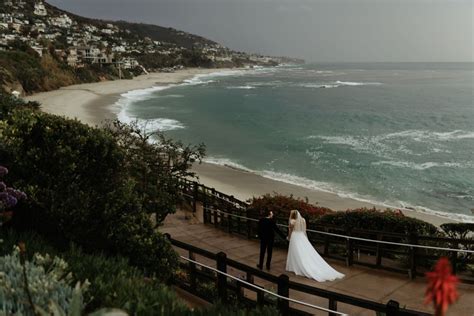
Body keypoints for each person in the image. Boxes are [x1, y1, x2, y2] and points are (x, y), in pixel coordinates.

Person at [286, 209, 345, 282]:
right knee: (304, 251)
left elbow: (290, 231)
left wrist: (289, 237)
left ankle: (295, 266)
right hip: (302, 236)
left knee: (295, 252)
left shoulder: (292, 221)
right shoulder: (303, 220)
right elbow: (304, 230)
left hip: (295, 236)